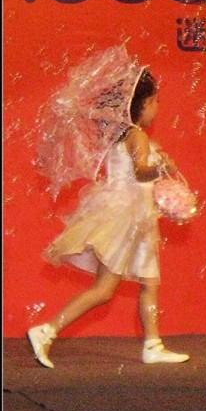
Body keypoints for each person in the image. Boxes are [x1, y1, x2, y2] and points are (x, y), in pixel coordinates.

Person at [27, 69, 190, 368]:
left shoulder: (121, 137)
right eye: (155, 101)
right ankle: (47, 330)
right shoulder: (137, 136)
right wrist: (162, 168)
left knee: (150, 282)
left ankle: (153, 344)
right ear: (142, 104)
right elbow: (141, 172)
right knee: (104, 290)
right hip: (129, 221)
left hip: (136, 218)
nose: (157, 108)